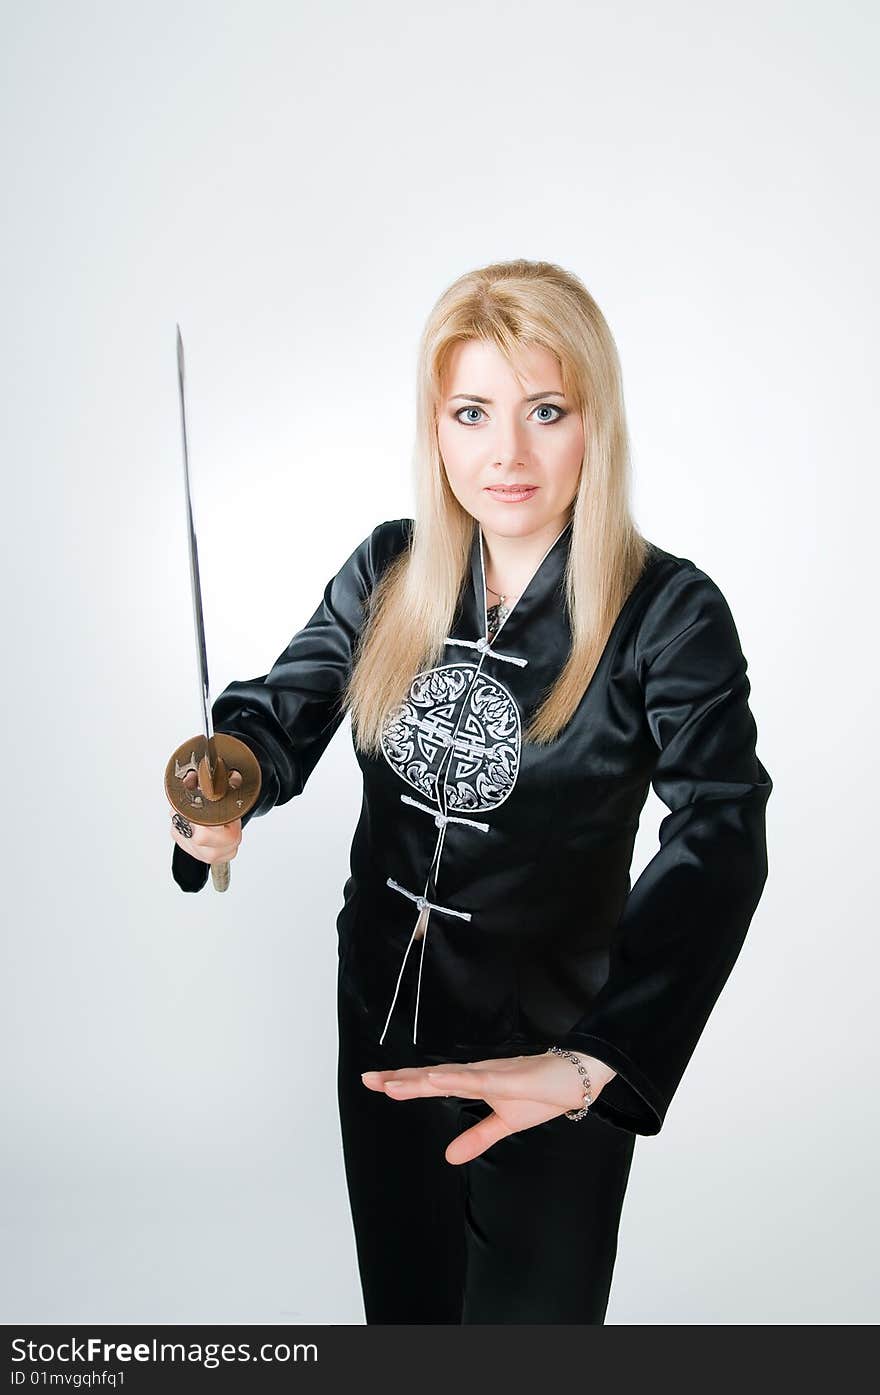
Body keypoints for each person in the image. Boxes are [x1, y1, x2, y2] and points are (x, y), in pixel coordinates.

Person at [167, 259, 773, 1324]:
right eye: (472, 412)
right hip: (381, 1029)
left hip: (550, 1050)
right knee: (406, 1324)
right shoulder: (389, 571)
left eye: (546, 410)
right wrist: (226, 785)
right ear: (434, 428)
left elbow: (720, 835)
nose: (508, 453)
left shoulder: (666, 613)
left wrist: (593, 1066)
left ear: (595, 423)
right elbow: (283, 709)